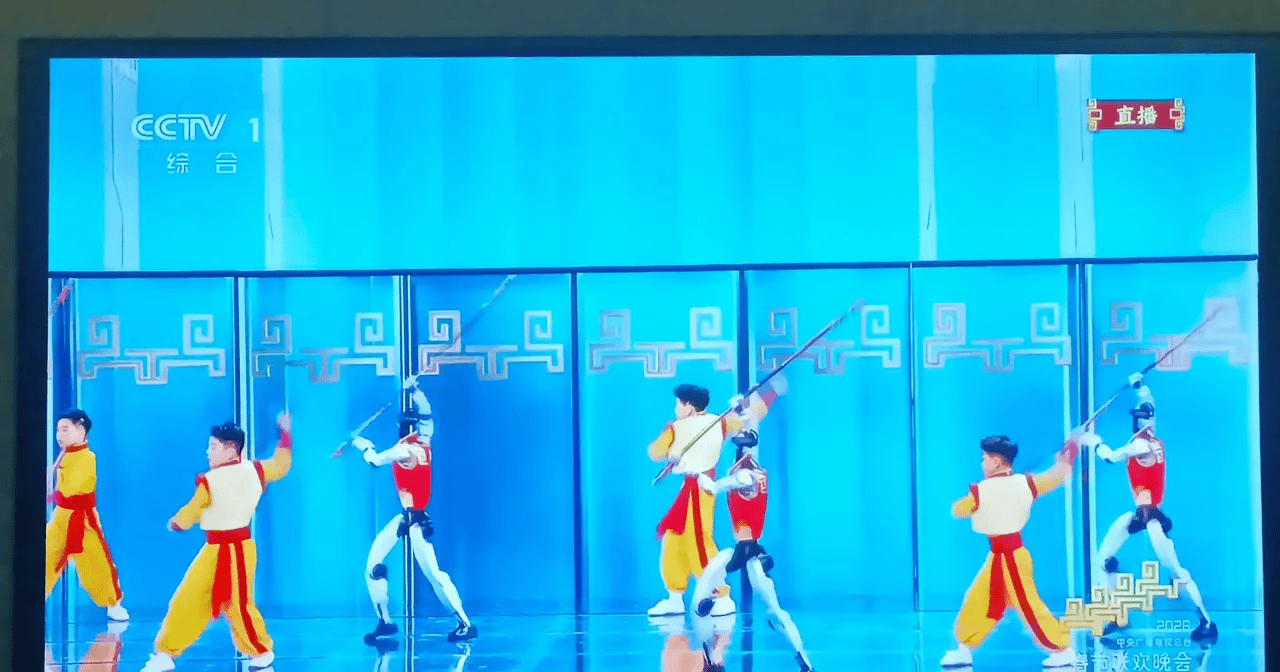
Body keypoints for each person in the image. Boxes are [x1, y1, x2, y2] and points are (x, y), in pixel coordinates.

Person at [139, 412, 293, 672]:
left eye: (213, 447)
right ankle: (165, 653)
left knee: (239, 605)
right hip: (213, 550)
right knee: (188, 596)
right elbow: (280, 464)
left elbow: (192, 510)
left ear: (231, 449)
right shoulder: (242, 473)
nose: (208, 452)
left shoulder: (236, 474)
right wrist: (285, 434)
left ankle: (261, 651)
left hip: (239, 548)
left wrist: (178, 522)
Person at [1080, 373, 1216, 642]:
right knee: (1102, 560)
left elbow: (1110, 457)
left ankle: (1207, 622)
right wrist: (1140, 386)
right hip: (1140, 512)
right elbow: (1149, 405)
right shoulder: (1152, 436)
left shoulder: (1141, 444)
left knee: (1175, 570)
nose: (1137, 418)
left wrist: (1093, 441)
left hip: (1152, 516)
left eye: (1139, 416)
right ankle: (1117, 616)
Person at [691, 380, 814, 672]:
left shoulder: (746, 476)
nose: (739, 437)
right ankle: (711, 659)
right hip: (746, 548)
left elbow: (713, 486)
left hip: (747, 549)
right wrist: (745, 406)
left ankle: (802, 658)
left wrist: (691, 467)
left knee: (769, 608)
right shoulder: (750, 467)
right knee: (708, 592)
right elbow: (749, 425)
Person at [350, 376, 476, 645]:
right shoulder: (423, 440)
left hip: (416, 521)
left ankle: (465, 623)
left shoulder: (406, 449)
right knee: (373, 565)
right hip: (405, 517)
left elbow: (374, 460)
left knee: (434, 575)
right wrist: (415, 390)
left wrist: (359, 442)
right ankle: (385, 622)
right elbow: (427, 413)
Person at [647, 379, 783, 618]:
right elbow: (656, 452)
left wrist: (762, 397)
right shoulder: (710, 424)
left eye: (679, 404)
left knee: (699, 542)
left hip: (701, 488)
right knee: (674, 539)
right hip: (688, 488)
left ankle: (721, 595)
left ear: (689, 406)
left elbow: (655, 451)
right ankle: (675, 597)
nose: (676, 408)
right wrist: (672, 454)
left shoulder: (711, 423)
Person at [939, 435, 1078, 669]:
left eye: (984, 458)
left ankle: (1062, 649)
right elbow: (1054, 478)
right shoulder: (1027, 483)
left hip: (1012, 557)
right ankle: (964, 648)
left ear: (996, 461)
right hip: (998, 557)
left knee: (1029, 606)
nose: (982, 463)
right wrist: (1064, 462)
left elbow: (958, 509)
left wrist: (988, 495)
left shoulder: (984, 490)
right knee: (978, 599)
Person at [45, 409, 128, 622]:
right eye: (58, 430)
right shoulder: (64, 454)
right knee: (45, 557)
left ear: (81, 430)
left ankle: (113, 603)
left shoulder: (88, 457)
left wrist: (54, 490)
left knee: (97, 564)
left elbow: (73, 488)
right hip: (61, 517)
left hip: (83, 520)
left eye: (65, 429)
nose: (59, 435)